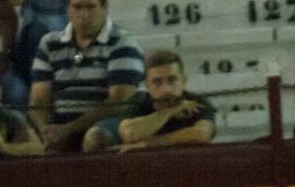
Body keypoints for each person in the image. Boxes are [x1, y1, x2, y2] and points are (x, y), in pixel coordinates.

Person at [29, 0, 144, 152]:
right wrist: (45, 132)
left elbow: (119, 102)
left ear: (105, 9)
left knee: (96, 137)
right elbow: (38, 101)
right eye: (77, 7)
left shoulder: (122, 42)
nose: (84, 14)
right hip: (61, 125)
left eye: (91, 7)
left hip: (109, 123)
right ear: (68, 10)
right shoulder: (49, 43)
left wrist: (69, 129)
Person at [83, 49, 215, 153]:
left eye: (172, 80)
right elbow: (129, 133)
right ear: (147, 86)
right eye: (157, 82)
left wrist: (149, 143)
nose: (166, 89)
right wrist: (167, 112)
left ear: (183, 81)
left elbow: (202, 133)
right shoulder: (138, 102)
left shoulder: (197, 101)